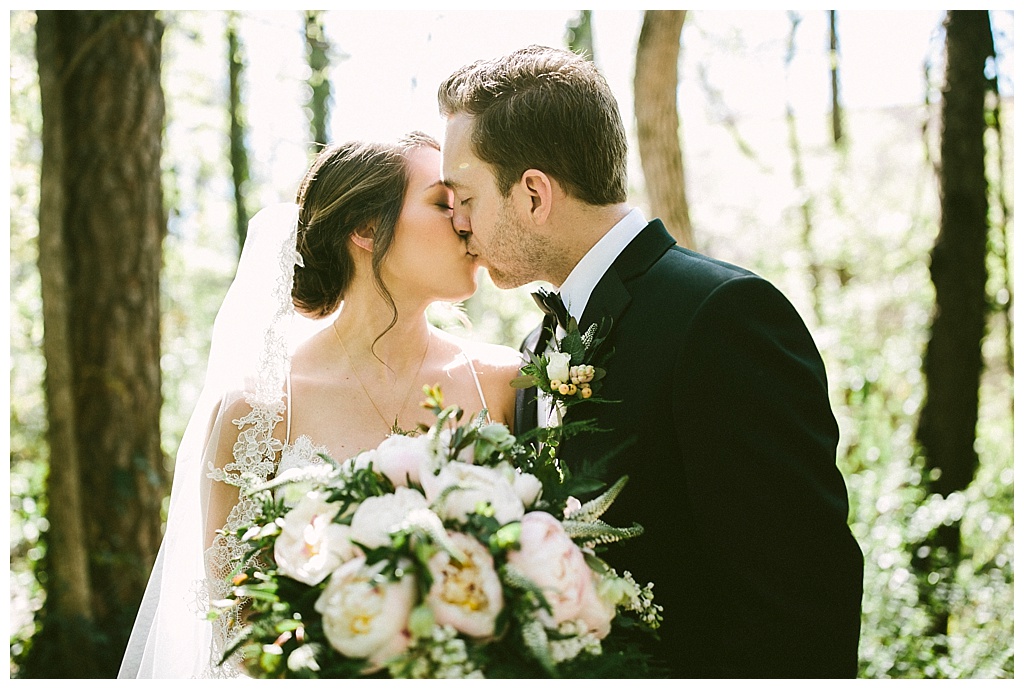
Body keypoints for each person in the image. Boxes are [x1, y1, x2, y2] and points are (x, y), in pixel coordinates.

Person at [438, 45, 864, 678]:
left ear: (532, 193)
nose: (458, 225)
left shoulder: (723, 317)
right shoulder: (534, 354)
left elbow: (803, 597)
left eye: (464, 199)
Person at [118, 132, 522, 678]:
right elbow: (237, 625)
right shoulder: (256, 412)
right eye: (441, 204)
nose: (466, 223)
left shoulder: (503, 384)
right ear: (364, 229)